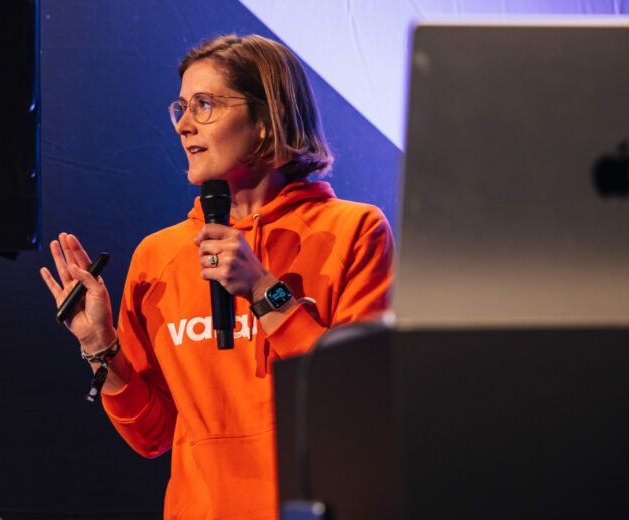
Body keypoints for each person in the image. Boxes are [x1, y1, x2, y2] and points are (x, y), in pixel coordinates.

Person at [40, 34, 394, 519]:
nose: (184, 125)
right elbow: (153, 436)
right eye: (181, 108)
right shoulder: (158, 256)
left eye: (204, 105)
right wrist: (102, 346)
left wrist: (265, 293)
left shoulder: (354, 230)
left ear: (267, 119)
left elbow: (356, 404)